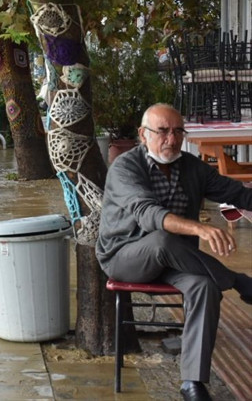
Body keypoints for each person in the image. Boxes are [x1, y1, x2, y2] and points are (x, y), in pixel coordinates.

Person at [96, 103, 252, 401]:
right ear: (143, 135)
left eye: (178, 130)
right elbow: (148, 214)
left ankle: (192, 383)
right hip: (125, 256)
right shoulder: (125, 167)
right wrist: (201, 229)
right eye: (163, 131)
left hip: (176, 262)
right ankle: (238, 281)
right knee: (161, 239)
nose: (172, 138)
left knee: (204, 286)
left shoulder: (191, 167)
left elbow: (236, 194)